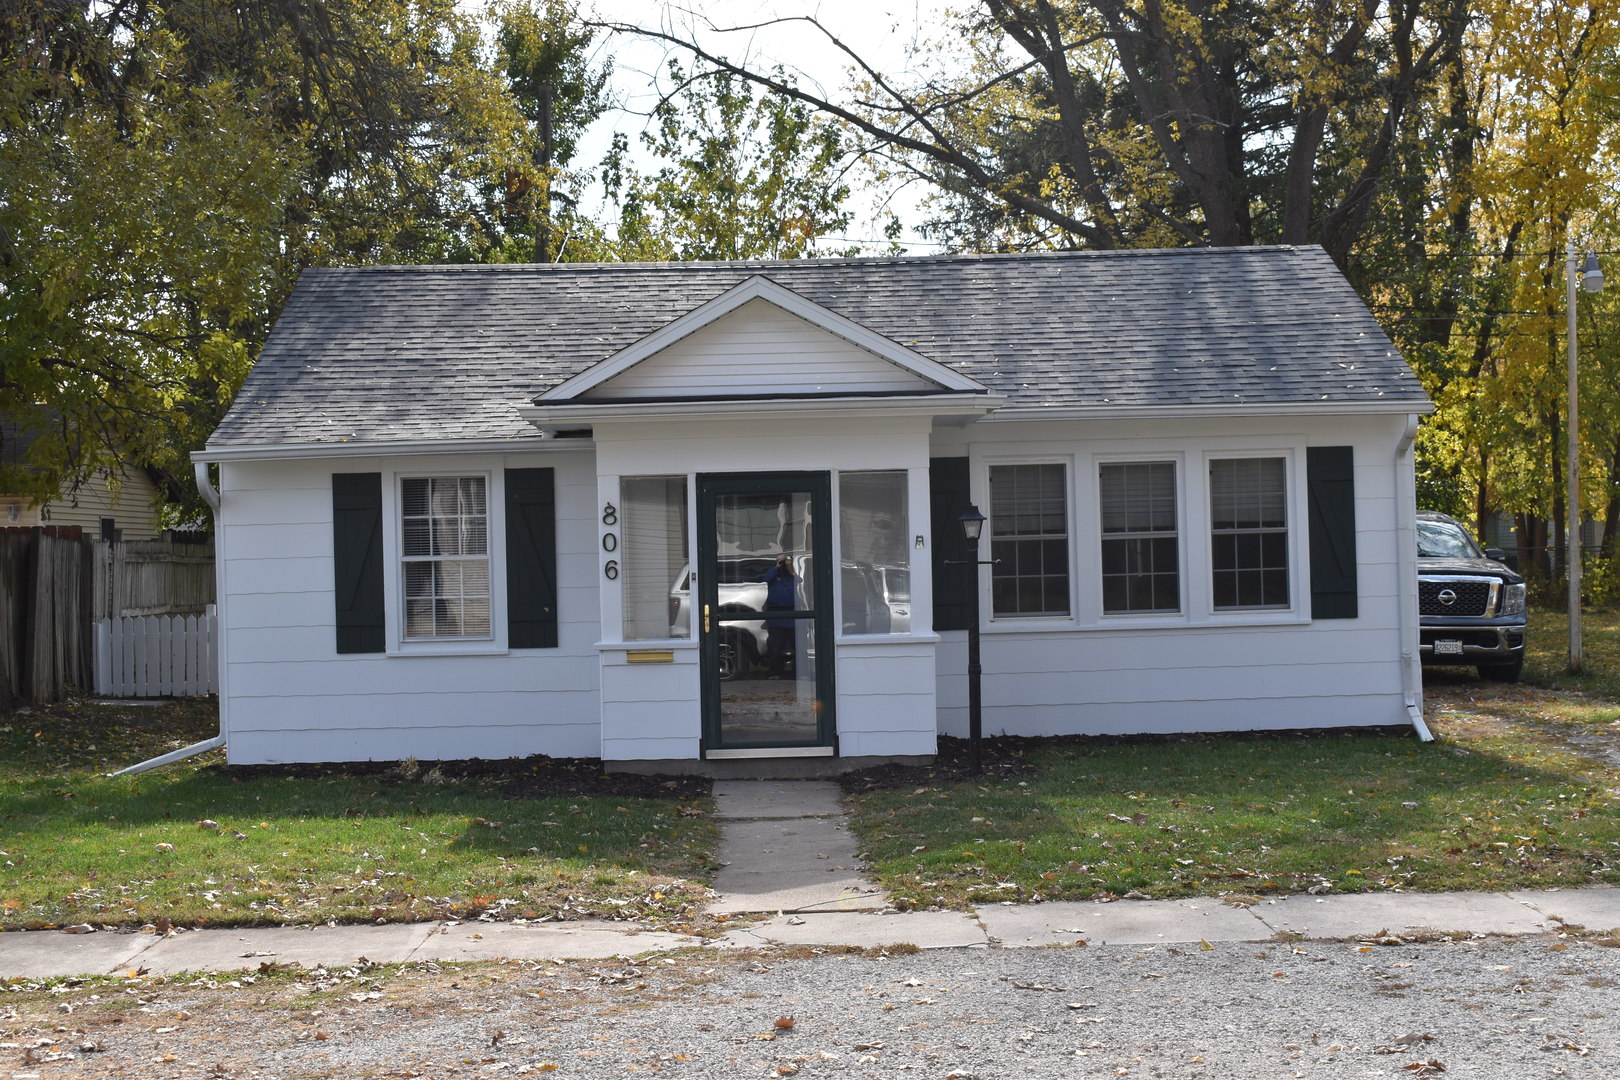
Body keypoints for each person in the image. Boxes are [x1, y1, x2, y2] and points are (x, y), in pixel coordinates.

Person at [762, 555, 797, 679]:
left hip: (793, 615)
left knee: (798, 646)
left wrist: (789, 566)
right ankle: (774, 672)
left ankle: (798, 672)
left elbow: (799, 581)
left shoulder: (793, 576)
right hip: (776, 616)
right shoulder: (774, 575)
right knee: (775, 647)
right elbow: (766, 578)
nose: (783, 563)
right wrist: (777, 566)